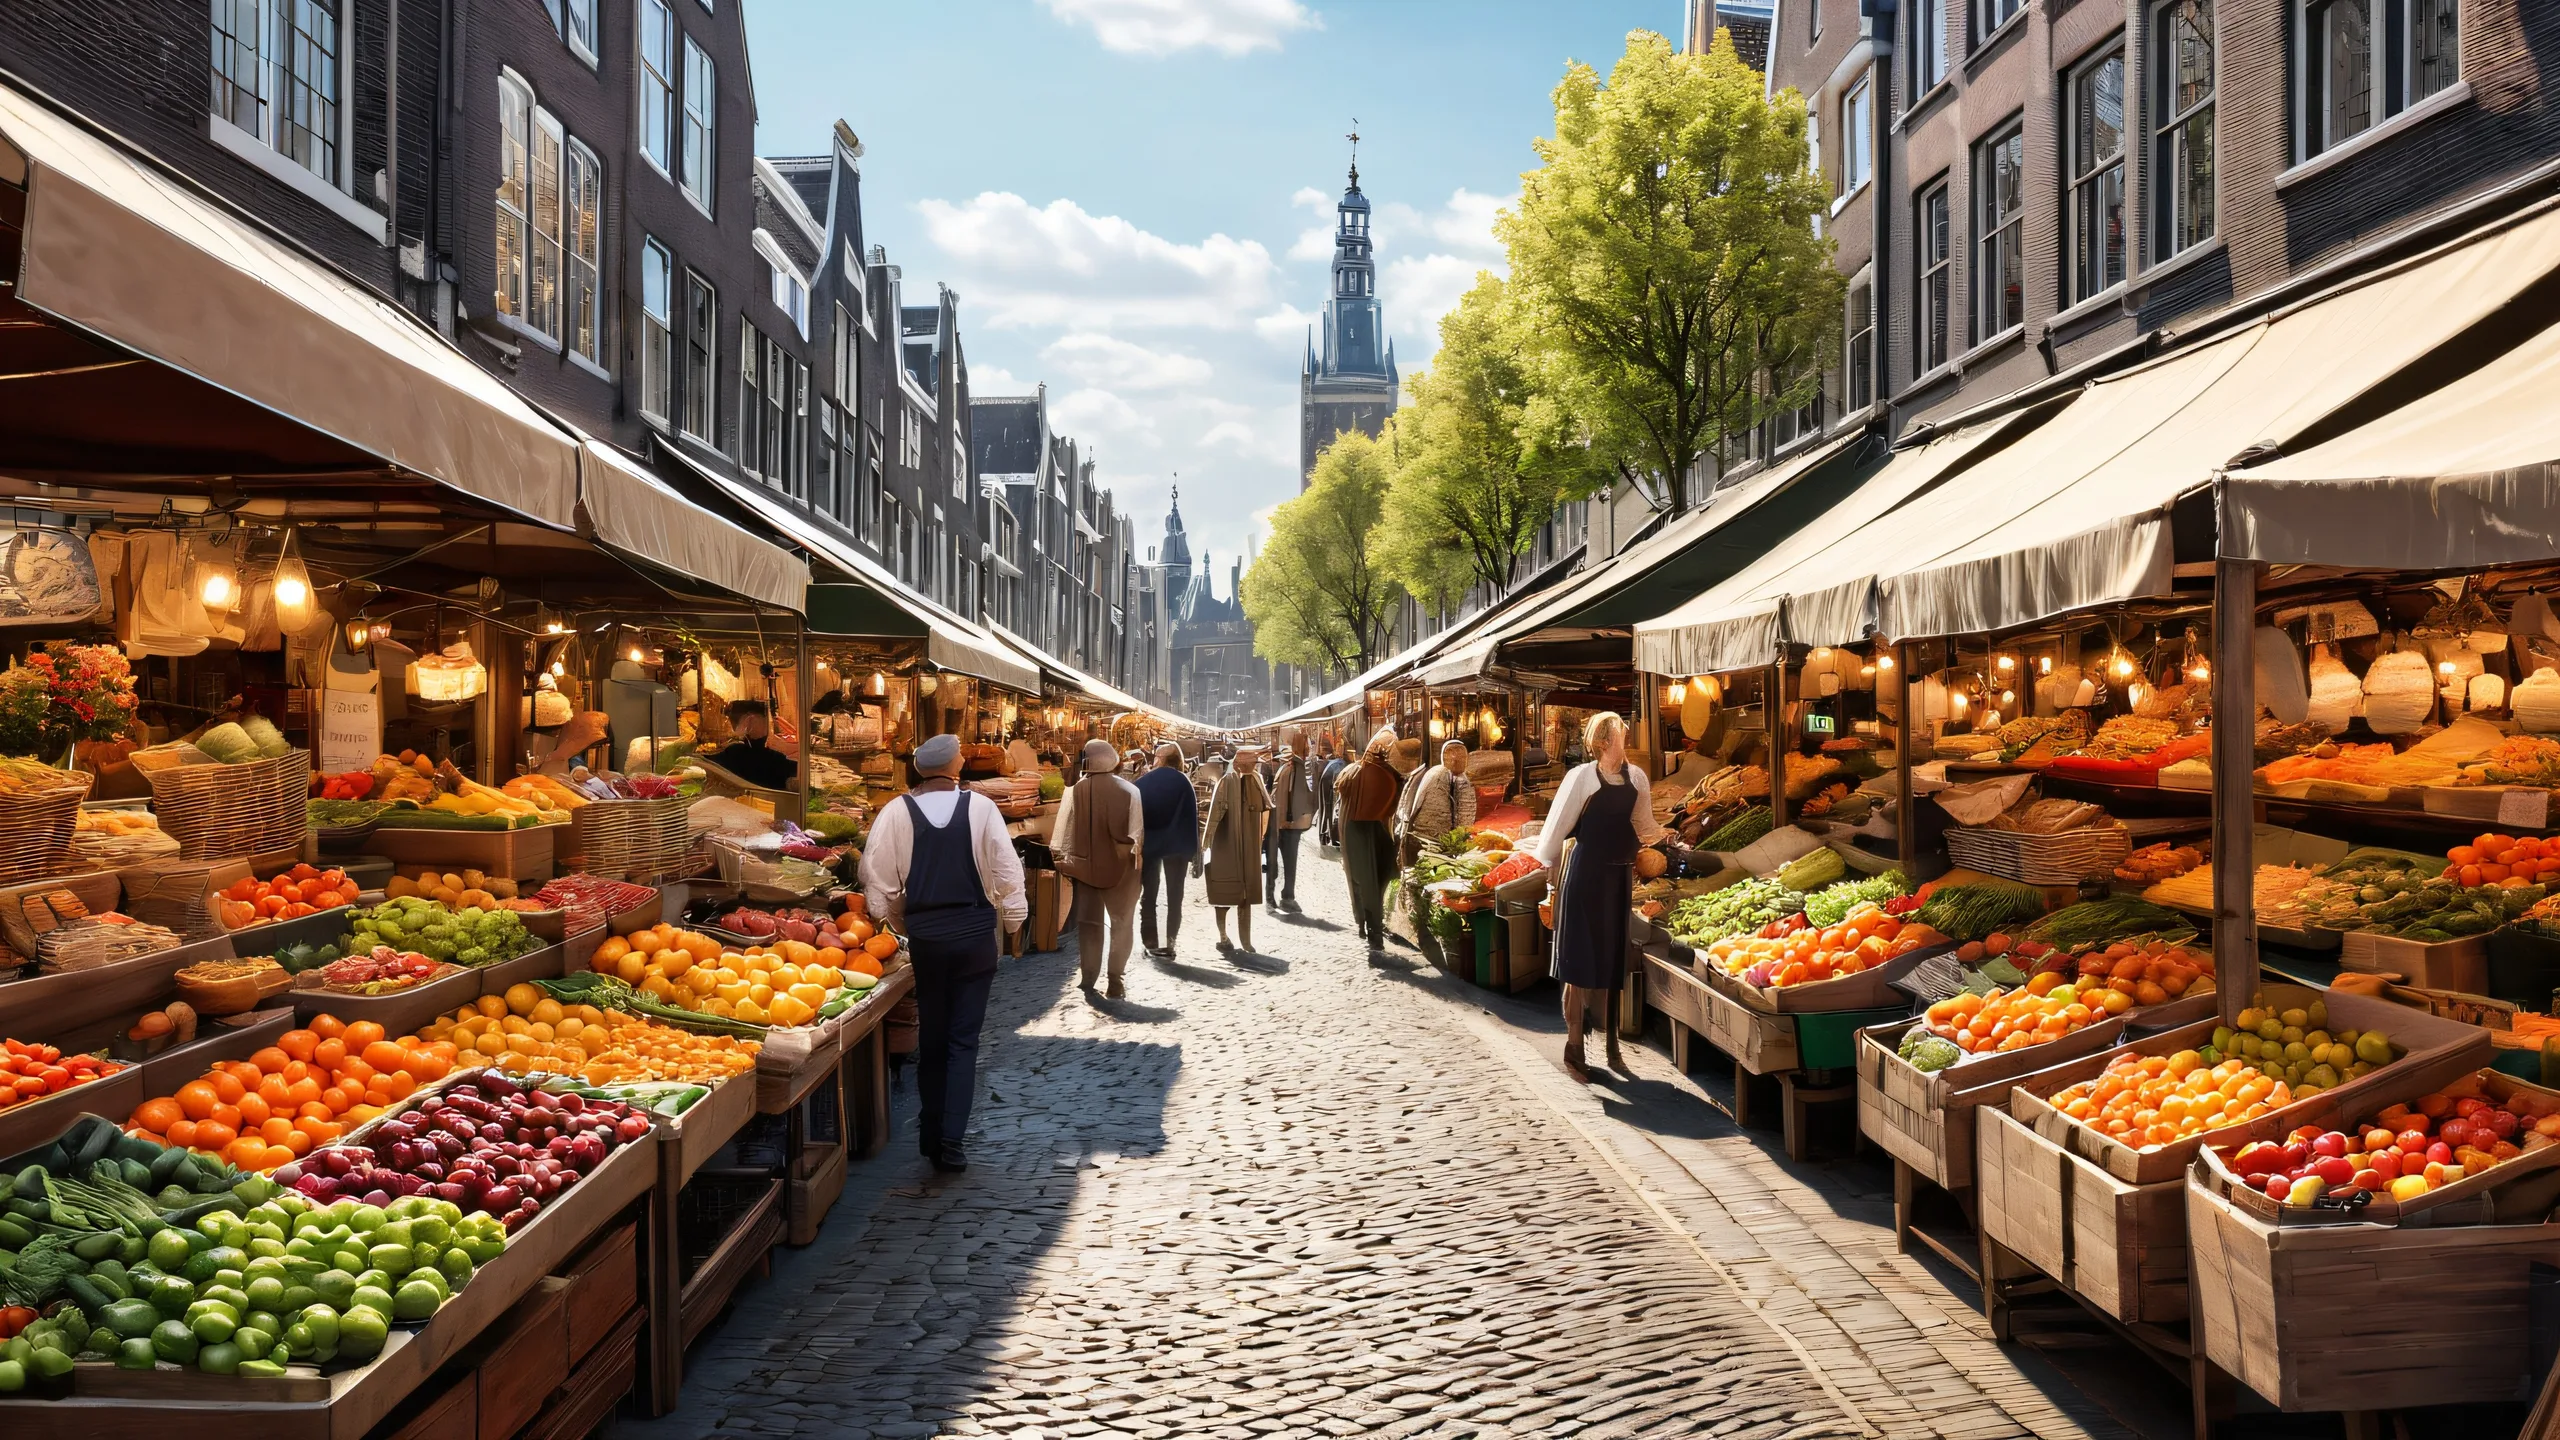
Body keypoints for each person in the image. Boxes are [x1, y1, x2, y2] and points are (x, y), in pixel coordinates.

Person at [858, 733, 1026, 1172]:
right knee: (963, 1040)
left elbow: (877, 882)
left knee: (932, 1035)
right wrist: (1014, 922)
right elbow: (1007, 870)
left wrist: (896, 921)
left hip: (928, 938)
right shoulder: (981, 808)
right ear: (956, 768)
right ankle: (951, 1138)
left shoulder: (896, 811)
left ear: (919, 771)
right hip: (974, 935)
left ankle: (930, 1135)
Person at [1529, 712, 1665, 1083]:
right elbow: (1555, 832)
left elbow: (1644, 825)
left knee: (1612, 959)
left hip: (1618, 878)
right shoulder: (1581, 778)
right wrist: (1550, 883)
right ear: (1604, 742)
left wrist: (1671, 842)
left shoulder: (1636, 777)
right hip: (1585, 877)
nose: (1627, 734)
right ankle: (1574, 1048)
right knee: (1580, 961)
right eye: (1620, 731)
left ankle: (1612, 1045)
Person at [1052, 738, 1144, 999]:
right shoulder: (1129, 791)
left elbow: (1061, 836)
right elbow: (1137, 835)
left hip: (1085, 866)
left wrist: (1067, 862)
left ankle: (1088, 977)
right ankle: (1115, 979)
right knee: (1122, 923)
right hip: (1123, 868)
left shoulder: (1074, 791)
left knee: (1089, 923)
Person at [1395, 740, 1478, 964]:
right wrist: (1461, 844)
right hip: (1433, 846)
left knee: (1419, 885)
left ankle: (1419, 930)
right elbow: (1463, 821)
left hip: (1417, 840)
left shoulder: (1432, 772)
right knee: (1429, 888)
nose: (1457, 760)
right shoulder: (1458, 781)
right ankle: (1428, 937)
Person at [1335, 727, 1402, 951]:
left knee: (1361, 881)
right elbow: (1388, 806)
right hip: (1367, 831)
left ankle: (1365, 924)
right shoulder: (1377, 775)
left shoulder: (1353, 772)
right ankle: (1373, 931)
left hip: (1357, 830)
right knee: (1371, 882)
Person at [1202, 741, 1270, 952]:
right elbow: (1217, 812)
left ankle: (1237, 939)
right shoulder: (1237, 781)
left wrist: (1205, 845)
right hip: (1236, 846)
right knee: (1233, 893)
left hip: (1238, 847)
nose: (1255, 767)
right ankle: (1231, 938)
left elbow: (1265, 810)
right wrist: (1208, 840)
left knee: (1237, 893)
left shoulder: (1246, 780)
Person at [1134, 743, 1198, 958]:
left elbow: (1135, 819)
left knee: (1149, 895)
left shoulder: (1142, 783)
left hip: (1150, 847)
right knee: (1174, 897)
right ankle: (1170, 943)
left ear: (1159, 758)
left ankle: (1151, 941)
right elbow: (1191, 819)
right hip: (1178, 848)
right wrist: (1193, 851)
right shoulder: (1184, 783)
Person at [1263, 743, 1318, 910]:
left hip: (1277, 824)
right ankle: (1287, 897)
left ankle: (1271, 897)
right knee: (1289, 863)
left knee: (1274, 862)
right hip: (1289, 825)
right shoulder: (1293, 771)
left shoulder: (1283, 770)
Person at [705, 699, 797, 790]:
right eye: (768, 719)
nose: (770, 724)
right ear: (750, 720)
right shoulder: (744, 754)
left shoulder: (724, 752)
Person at [1315, 735, 1344, 848]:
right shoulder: (1340, 764)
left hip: (1327, 780)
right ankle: (1329, 836)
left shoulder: (1337, 762)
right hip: (1328, 782)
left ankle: (1325, 836)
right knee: (1329, 808)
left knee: (1326, 808)